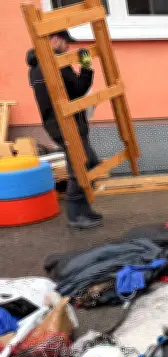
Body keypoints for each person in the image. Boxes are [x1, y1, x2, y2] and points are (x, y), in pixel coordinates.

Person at [27, 30, 103, 230]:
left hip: (59, 123)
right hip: (67, 124)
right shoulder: (54, 63)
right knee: (79, 167)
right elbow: (78, 89)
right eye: (66, 42)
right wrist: (86, 67)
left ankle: (84, 210)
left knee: (88, 163)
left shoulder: (36, 66)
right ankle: (75, 215)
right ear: (54, 40)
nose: (68, 47)